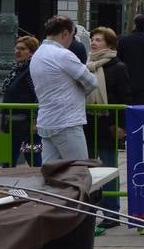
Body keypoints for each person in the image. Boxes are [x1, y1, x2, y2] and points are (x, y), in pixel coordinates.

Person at [28, 15, 98, 165]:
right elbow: (91, 82)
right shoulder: (63, 55)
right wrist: (79, 87)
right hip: (67, 122)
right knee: (79, 171)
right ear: (65, 33)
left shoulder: (38, 54)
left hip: (47, 121)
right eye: (72, 36)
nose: (72, 40)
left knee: (51, 173)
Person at [86, 26, 131, 228]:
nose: (94, 42)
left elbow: (124, 98)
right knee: (86, 171)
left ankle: (111, 213)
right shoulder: (86, 66)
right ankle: (87, 210)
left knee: (108, 169)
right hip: (87, 124)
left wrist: (122, 126)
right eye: (93, 39)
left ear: (110, 45)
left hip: (108, 126)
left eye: (99, 40)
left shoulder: (118, 67)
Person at [2, 36, 40, 166]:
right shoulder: (18, 68)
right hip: (14, 123)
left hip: (27, 125)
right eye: (16, 48)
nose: (18, 51)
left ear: (32, 52)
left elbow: (37, 94)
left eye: (23, 49)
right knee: (9, 157)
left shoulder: (31, 70)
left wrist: (34, 120)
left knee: (33, 158)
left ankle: (40, 182)